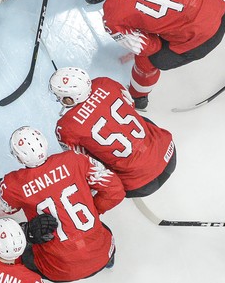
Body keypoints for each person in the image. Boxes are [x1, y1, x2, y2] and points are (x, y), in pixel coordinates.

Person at [74, 0, 225, 109]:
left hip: (205, 35)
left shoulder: (112, 19)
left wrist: (151, 26)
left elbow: (149, 48)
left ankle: (138, 97)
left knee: (147, 59)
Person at [0, 127, 122, 283]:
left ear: (19, 158)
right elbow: (115, 191)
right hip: (102, 253)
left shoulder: (12, 184)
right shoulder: (75, 159)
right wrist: (94, 210)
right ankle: (108, 260)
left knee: (24, 236)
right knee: (100, 228)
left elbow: (7, 208)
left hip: (62, 270)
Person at [49, 67, 176, 197]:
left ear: (69, 99)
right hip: (169, 154)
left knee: (91, 160)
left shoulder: (65, 127)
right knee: (138, 120)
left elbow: (83, 161)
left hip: (139, 185)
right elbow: (131, 105)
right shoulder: (105, 83)